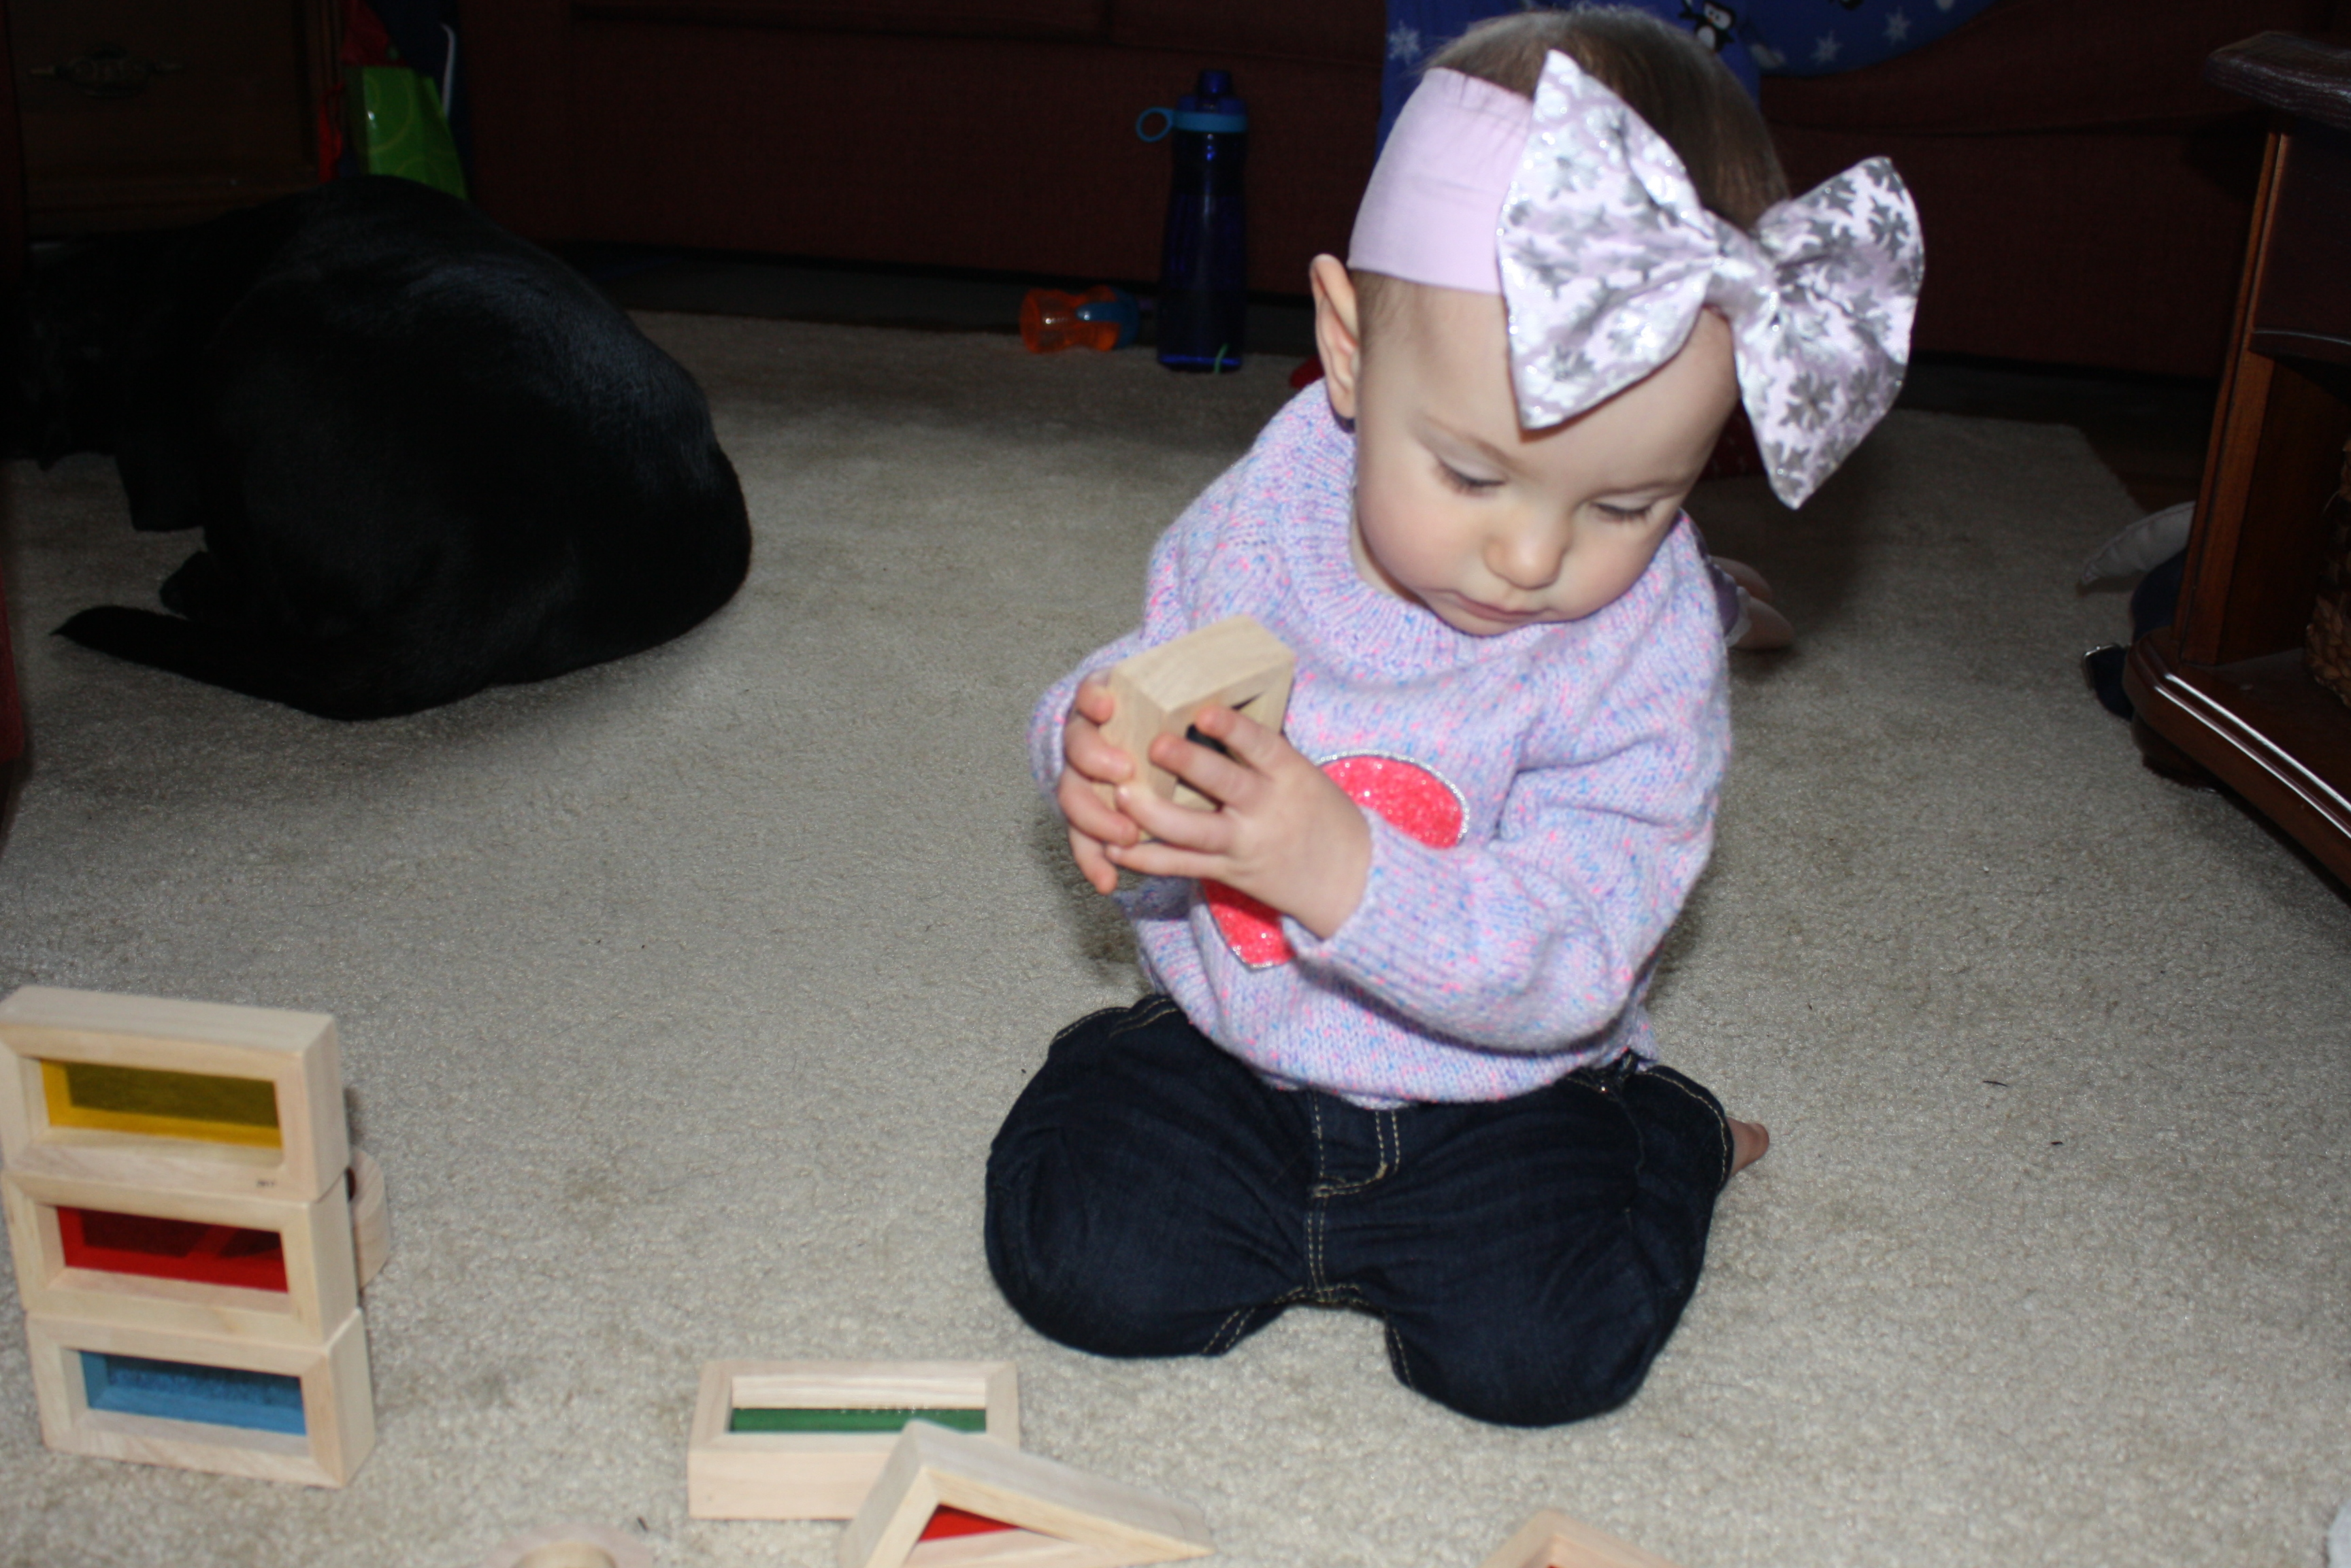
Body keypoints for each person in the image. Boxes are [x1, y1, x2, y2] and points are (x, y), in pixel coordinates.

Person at [986, 7, 1920, 1427]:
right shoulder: (1270, 506)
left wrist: (1346, 873)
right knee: (1081, 1264)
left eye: (1628, 502)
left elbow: (1579, 943)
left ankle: (1667, 1131)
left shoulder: (1646, 642)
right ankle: (1126, 1066)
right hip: (1238, 1044)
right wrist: (1095, 742)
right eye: (1473, 475)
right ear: (1349, 350)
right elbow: (1153, 671)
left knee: (1536, 1356)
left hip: (1507, 1085)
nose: (1533, 556)